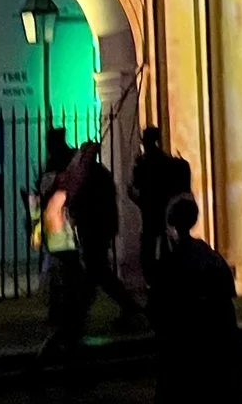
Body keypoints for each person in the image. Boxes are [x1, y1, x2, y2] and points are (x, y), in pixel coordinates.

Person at [148, 194, 242, 404]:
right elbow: (226, 295)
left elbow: (162, 297)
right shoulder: (207, 255)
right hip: (211, 333)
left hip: (187, 335)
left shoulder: (174, 259)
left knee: (175, 384)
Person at [32, 133, 91, 376]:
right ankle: (38, 368)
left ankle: (73, 370)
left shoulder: (50, 181)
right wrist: (82, 157)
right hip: (63, 251)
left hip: (62, 250)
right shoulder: (55, 182)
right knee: (68, 323)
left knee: (70, 325)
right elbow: (74, 180)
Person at [73, 141, 141, 330]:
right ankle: (128, 305)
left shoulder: (93, 176)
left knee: (96, 274)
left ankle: (80, 314)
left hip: (95, 231)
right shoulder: (98, 174)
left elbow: (90, 205)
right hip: (97, 230)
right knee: (99, 274)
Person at [127, 126, 190, 282]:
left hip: (151, 209)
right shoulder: (165, 161)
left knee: (150, 247)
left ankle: (156, 279)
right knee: (163, 243)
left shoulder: (144, 163)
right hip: (162, 208)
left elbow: (136, 187)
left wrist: (136, 198)